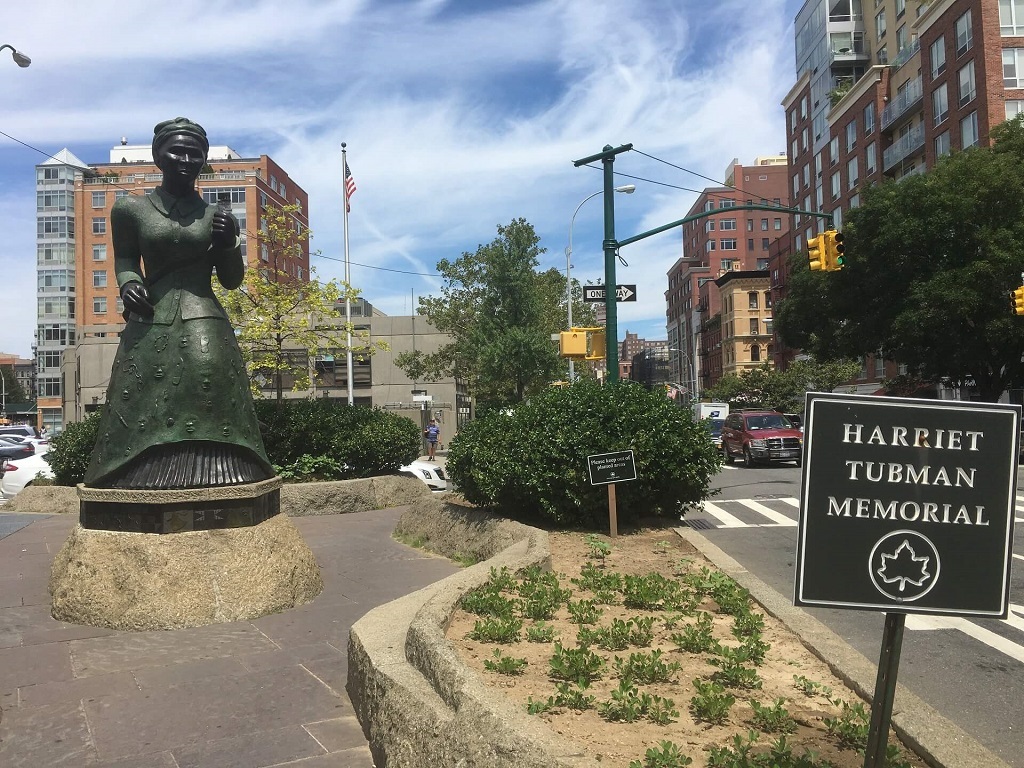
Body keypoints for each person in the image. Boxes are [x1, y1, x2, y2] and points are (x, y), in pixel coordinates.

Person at [83, 117, 274, 490]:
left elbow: (232, 280)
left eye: (195, 154)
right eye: (177, 151)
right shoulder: (130, 210)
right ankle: (135, 477)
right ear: (159, 156)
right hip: (150, 315)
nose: (186, 160)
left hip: (204, 315)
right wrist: (129, 285)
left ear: (203, 160)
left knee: (211, 390)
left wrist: (229, 242)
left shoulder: (215, 215)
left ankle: (224, 474)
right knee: (137, 393)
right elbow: (124, 261)